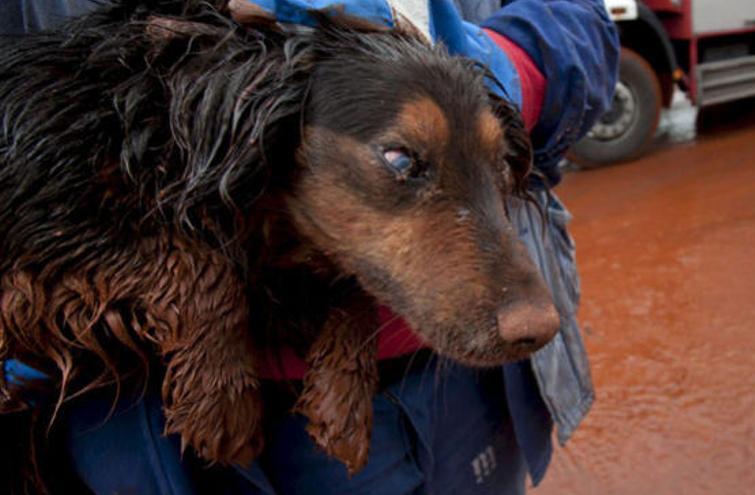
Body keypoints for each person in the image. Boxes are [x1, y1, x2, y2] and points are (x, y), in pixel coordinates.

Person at [0, 0, 619, 493]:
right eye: (405, 162)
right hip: (125, 423)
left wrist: (509, 71)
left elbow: (581, 19)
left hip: (449, 399)